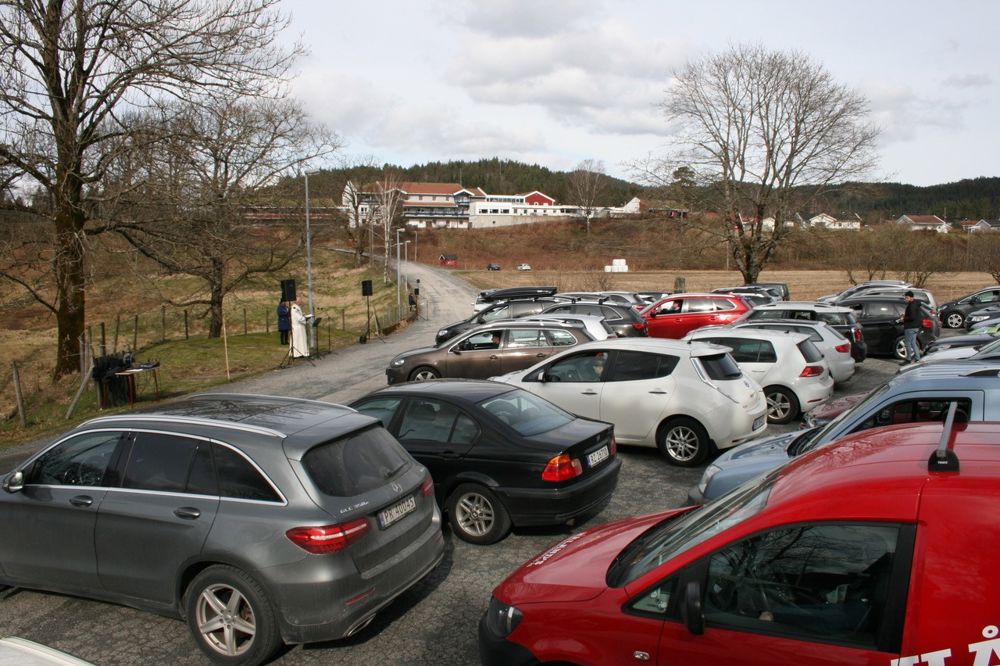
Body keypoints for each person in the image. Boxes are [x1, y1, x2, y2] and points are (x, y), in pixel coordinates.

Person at [901, 290, 922, 365]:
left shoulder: (912, 305)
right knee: (913, 343)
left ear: (911, 297)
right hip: (915, 327)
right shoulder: (916, 303)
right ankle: (917, 358)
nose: (905, 299)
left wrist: (904, 318)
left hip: (910, 327)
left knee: (907, 343)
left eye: (907, 297)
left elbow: (912, 317)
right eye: (905, 297)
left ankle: (908, 359)